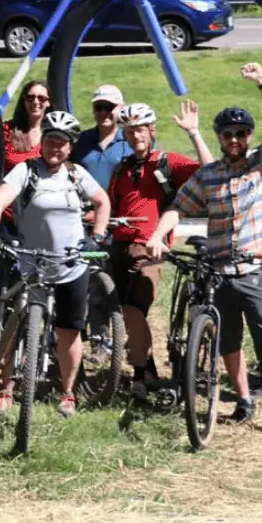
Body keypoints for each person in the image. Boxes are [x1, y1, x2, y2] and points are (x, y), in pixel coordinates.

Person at [145, 62, 262, 444]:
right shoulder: (209, 176)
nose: (236, 139)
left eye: (242, 133)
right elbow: (177, 206)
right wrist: (160, 235)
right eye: (229, 134)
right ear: (221, 138)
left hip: (256, 271)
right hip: (218, 271)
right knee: (228, 343)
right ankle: (243, 399)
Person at [0, 109, 111, 416]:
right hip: (30, 263)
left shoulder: (77, 174)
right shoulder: (26, 171)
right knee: (14, 326)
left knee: (69, 331)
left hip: (70, 264)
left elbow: (102, 201)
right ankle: (6, 389)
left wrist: (99, 236)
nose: (56, 148)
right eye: (51, 140)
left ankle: (67, 393)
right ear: (43, 143)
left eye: (63, 143)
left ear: (70, 146)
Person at [103, 99, 211, 391]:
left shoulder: (167, 162)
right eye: (129, 131)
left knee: (134, 310)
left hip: (150, 248)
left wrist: (194, 133)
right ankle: (147, 368)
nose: (135, 136)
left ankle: (140, 375)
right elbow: (111, 206)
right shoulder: (122, 169)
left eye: (140, 130)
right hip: (119, 247)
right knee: (125, 314)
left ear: (152, 130)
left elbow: (210, 171)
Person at [72, 85, 132, 185]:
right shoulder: (81, 140)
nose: (103, 112)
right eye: (98, 107)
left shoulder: (132, 140)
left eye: (109, 107)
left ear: (122, 108)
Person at [1, 82, 51, 170]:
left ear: (48, 102)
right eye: (30, 97)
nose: (36, 102)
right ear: (24, 101)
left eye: (41, 98)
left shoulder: (54, 133)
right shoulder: (7, 130)